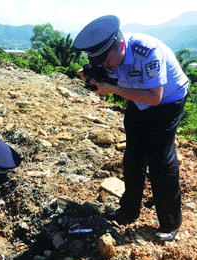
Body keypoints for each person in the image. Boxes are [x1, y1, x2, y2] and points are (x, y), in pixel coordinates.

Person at [74, 15, 189, 242]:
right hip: (137, 99)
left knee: (160, 158)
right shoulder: (108, 57)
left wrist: (111, 89)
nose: (104, 65)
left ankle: (170, 222)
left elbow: (154, 98)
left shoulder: (147, 52)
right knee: (133, 156)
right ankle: (128, 210)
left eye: (106, 60)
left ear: (121, 45)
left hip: (167, 100)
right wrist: (92, 78)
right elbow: (111, 79)